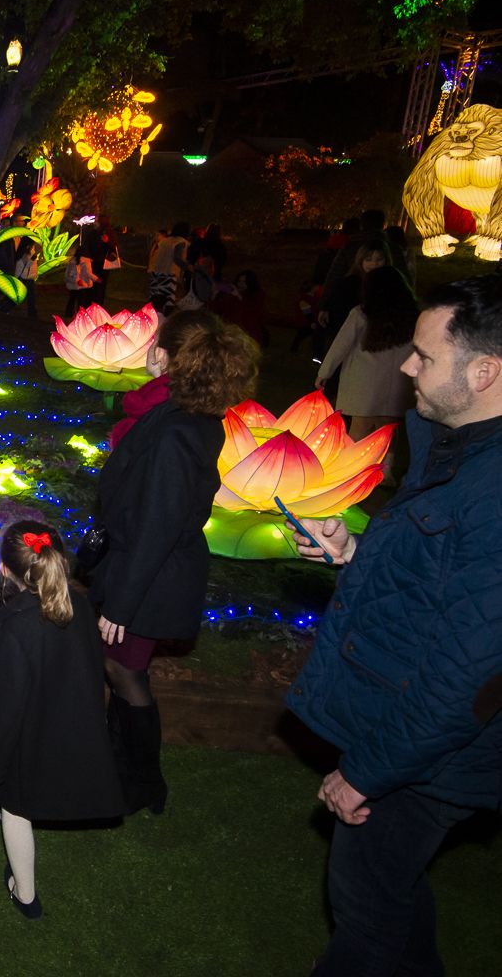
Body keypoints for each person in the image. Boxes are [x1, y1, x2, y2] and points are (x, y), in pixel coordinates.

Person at [286, 276, 502, 977]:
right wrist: (351, 553)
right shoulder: (458, 448)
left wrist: (368, 772)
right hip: (409, 740)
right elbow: (437, 590)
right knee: (388, 895)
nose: (405, 367)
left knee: (366, 919)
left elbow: (468, 675)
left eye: (423, 355)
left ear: (483, 372)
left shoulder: (492, 491)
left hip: (424, 759)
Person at [89, 310, 259, 814]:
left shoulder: (176, 432)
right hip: (142, 568)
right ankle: (121, 763)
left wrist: (120, 604)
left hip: (149, 577)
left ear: (163, 356)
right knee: (120, 669)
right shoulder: (184, 414)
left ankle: (142, 782)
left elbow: (157, 527)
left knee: (125, 672)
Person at [0, 521, 123, 919]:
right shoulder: (82, 605)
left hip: (31, 732)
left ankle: (25, 893)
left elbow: (4, 705)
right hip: (72, 719)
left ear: (4, 571)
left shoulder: (18, 628)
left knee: (16, 807)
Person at [316, 266, 418, 441]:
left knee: (358, 433)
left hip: (363, 386)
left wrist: (324, 372)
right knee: (387, 437)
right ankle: (387, 468)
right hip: (397, 387)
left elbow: (341, 345)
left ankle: (356, 468)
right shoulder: (413, 316)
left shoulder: (361, 314)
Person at [147, 220, 192, 316]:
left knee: (154, 301)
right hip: (168, 274)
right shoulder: (180, 242)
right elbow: (177, 258)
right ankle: (164, 323)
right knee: (168, 301)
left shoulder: (165, 241)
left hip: (156, 272)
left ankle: (151, 321)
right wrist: (188, 267)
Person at [63, 242, 97, 318]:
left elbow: (68, 273)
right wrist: (96, 279)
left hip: (72, 284)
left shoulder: (72, 260)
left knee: (72, 299)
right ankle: (80, 315)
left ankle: (69, 313)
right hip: (81, 284)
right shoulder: (86, 261)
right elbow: (87, 273)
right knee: (81, 301)